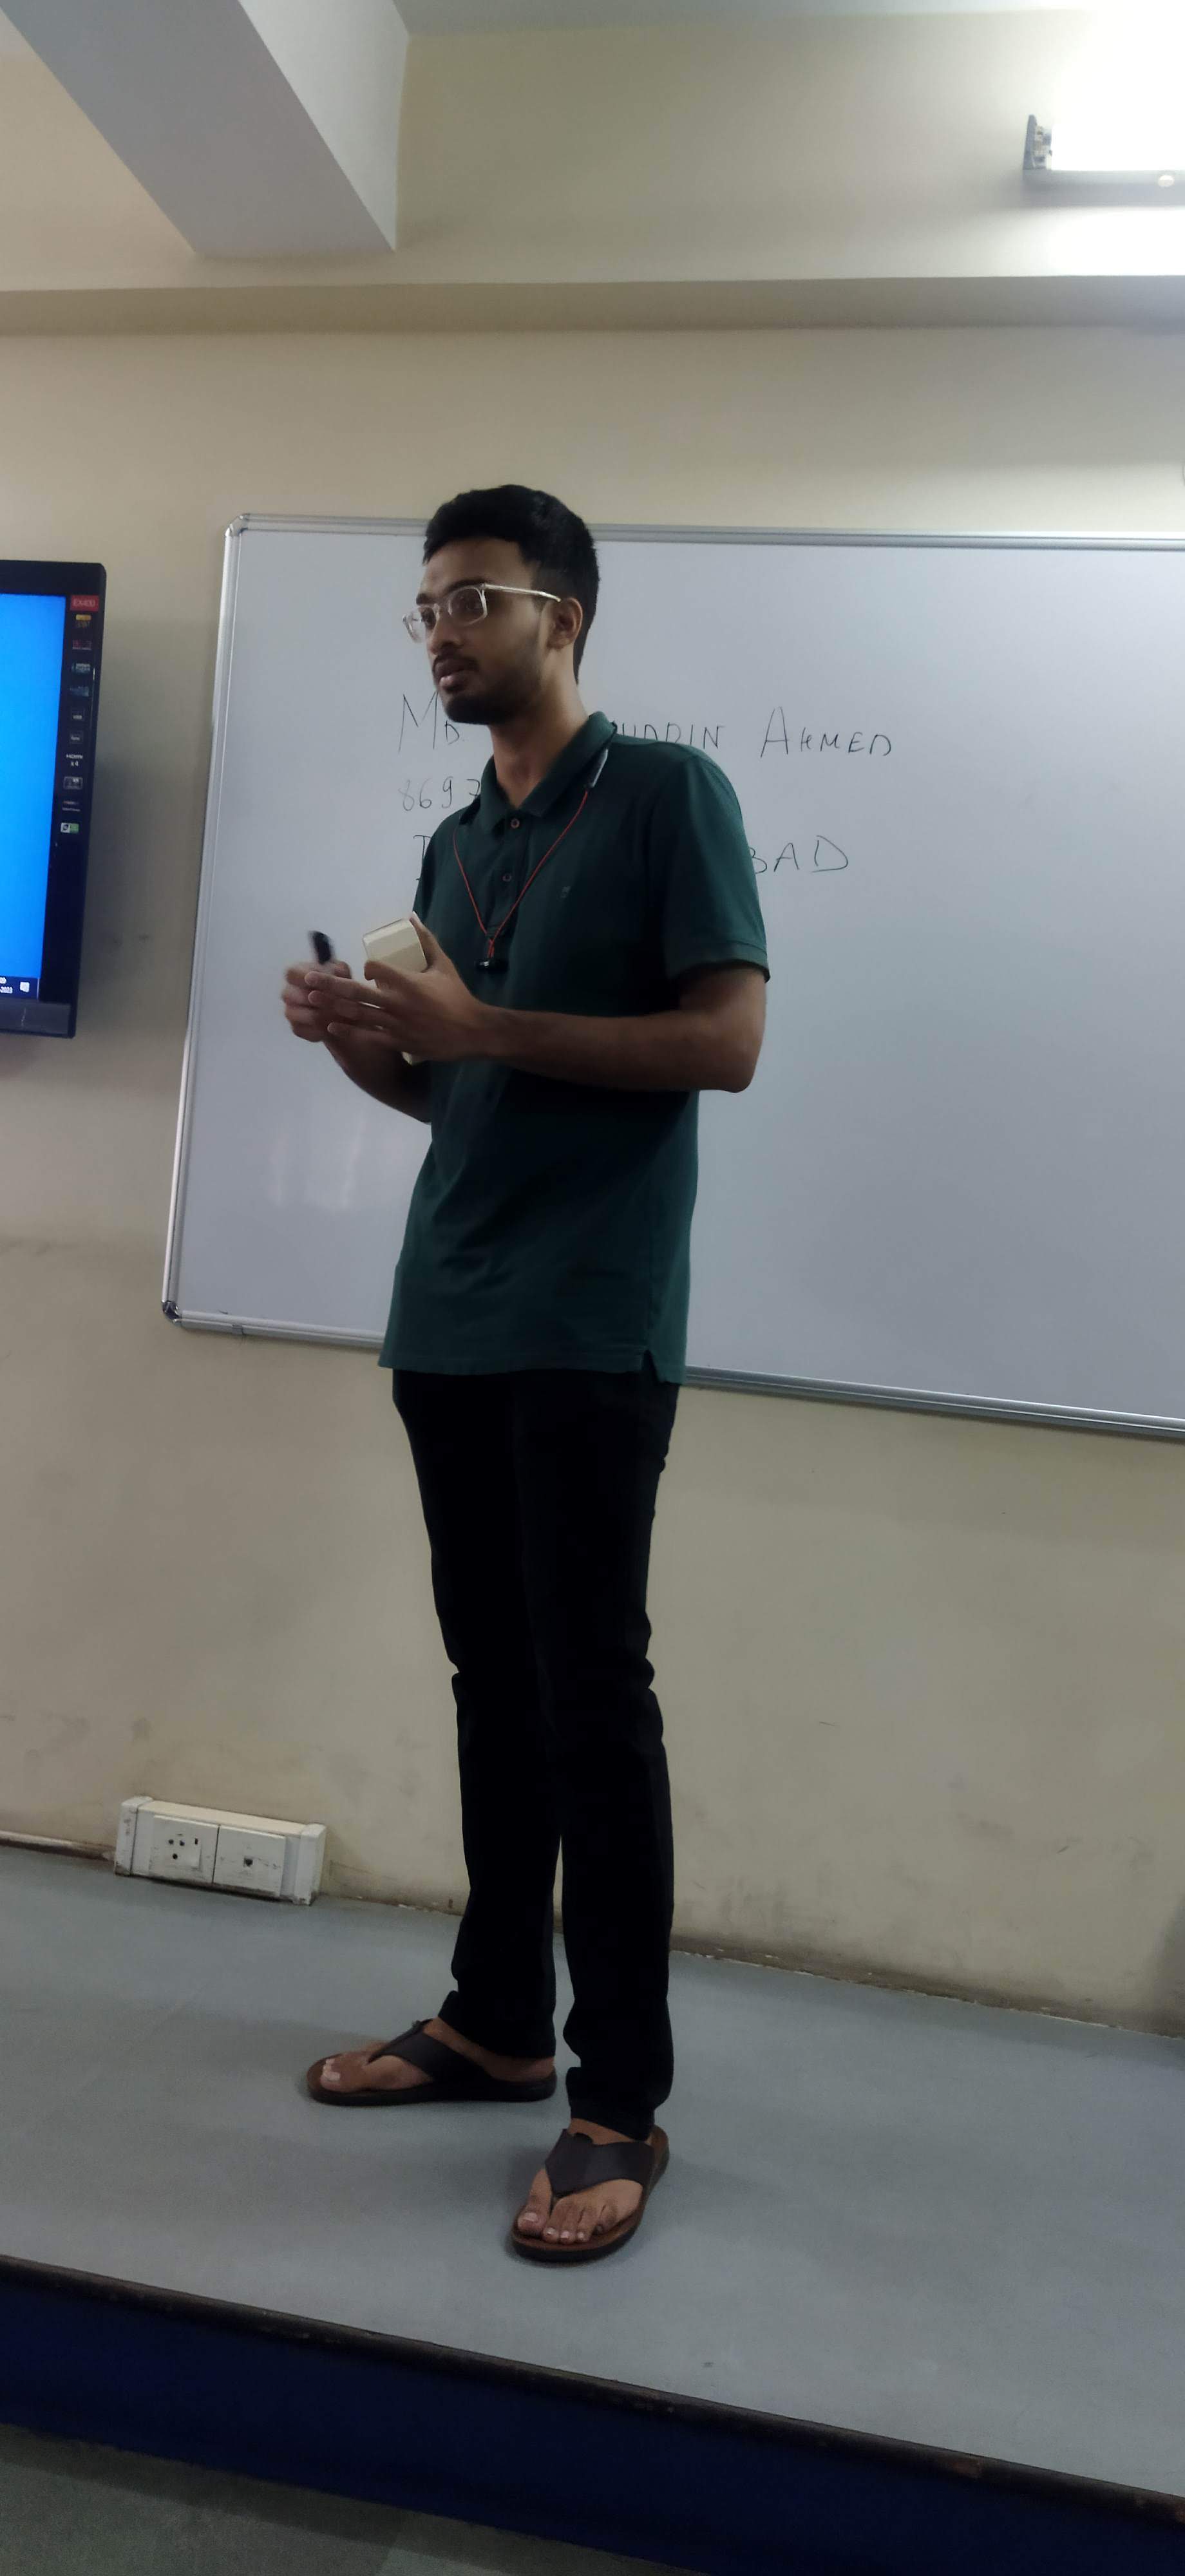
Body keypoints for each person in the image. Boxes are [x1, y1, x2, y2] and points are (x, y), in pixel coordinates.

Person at [283, 485, 768, 2265]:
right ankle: (498, 2021)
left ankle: (618, 2096)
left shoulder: (665, 796)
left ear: (561, 615)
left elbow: (727, 1042)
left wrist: (484, 1026)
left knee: (589, 1702)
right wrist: (366, 1047)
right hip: (452, 1311)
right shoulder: (451, 842)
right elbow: (456, 1094)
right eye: (424, 607)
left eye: (472, 600)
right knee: (493, 1683)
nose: (440, 633)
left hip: (588, 1316)